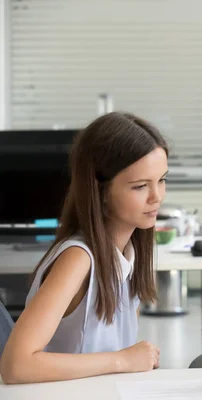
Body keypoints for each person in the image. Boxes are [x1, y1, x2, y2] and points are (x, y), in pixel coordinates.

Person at [0, 112, 168, 383]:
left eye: (162, 180)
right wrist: (123, 359)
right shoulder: (78, 258)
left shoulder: (129, 255)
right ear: (100, 193)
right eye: (140, 186)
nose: (157, 196)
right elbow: (16, 366)